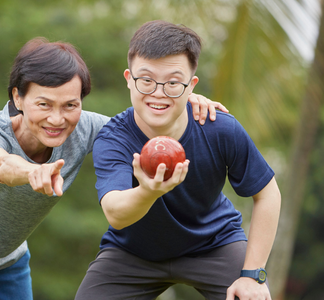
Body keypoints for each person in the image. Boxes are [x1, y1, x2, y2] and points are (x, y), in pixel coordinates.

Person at [0, 37, 226, 300]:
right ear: (18, 97)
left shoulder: (85, 127)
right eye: (44, 104)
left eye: (70, 105)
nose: (57, 119)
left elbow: (145, 127)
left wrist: (185, 102)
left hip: (4, 257)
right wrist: (30, 172)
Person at [75, 20, 281, 300]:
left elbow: (268, 194)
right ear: (129, 78)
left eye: (172, 82)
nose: (158, 93)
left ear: (190, 84)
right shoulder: (113, 138)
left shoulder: (219, 128)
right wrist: (148, 192)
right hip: (133, 252)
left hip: (214, 243)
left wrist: (253, 275)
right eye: (146, 80)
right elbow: (115, 214)